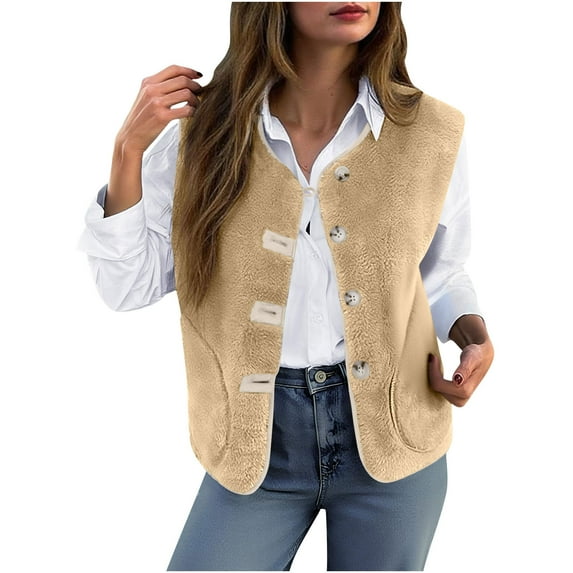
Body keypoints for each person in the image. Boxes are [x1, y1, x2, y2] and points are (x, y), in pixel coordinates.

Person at [78, 2, 494, 570]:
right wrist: (128, 152)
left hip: (395, 439)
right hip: (253, 444)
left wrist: (472, 336)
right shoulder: (205, 135)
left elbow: (439, 271)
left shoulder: (433, 132)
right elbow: (128, 286)